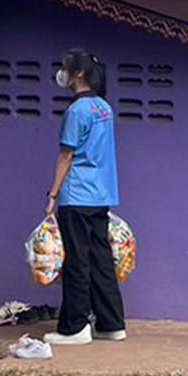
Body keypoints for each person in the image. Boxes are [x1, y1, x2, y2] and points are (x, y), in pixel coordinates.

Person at [44, 48, 127, 346]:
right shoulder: (104, 108)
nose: (62, 74)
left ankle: (75, 326)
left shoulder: (76, 111)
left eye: (66, 68)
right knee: (101, 259)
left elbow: (66, 155)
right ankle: (111, 322)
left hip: (76, 194)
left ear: (78, 73)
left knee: (76, 262)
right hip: (100, 194)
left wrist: (52, 194)